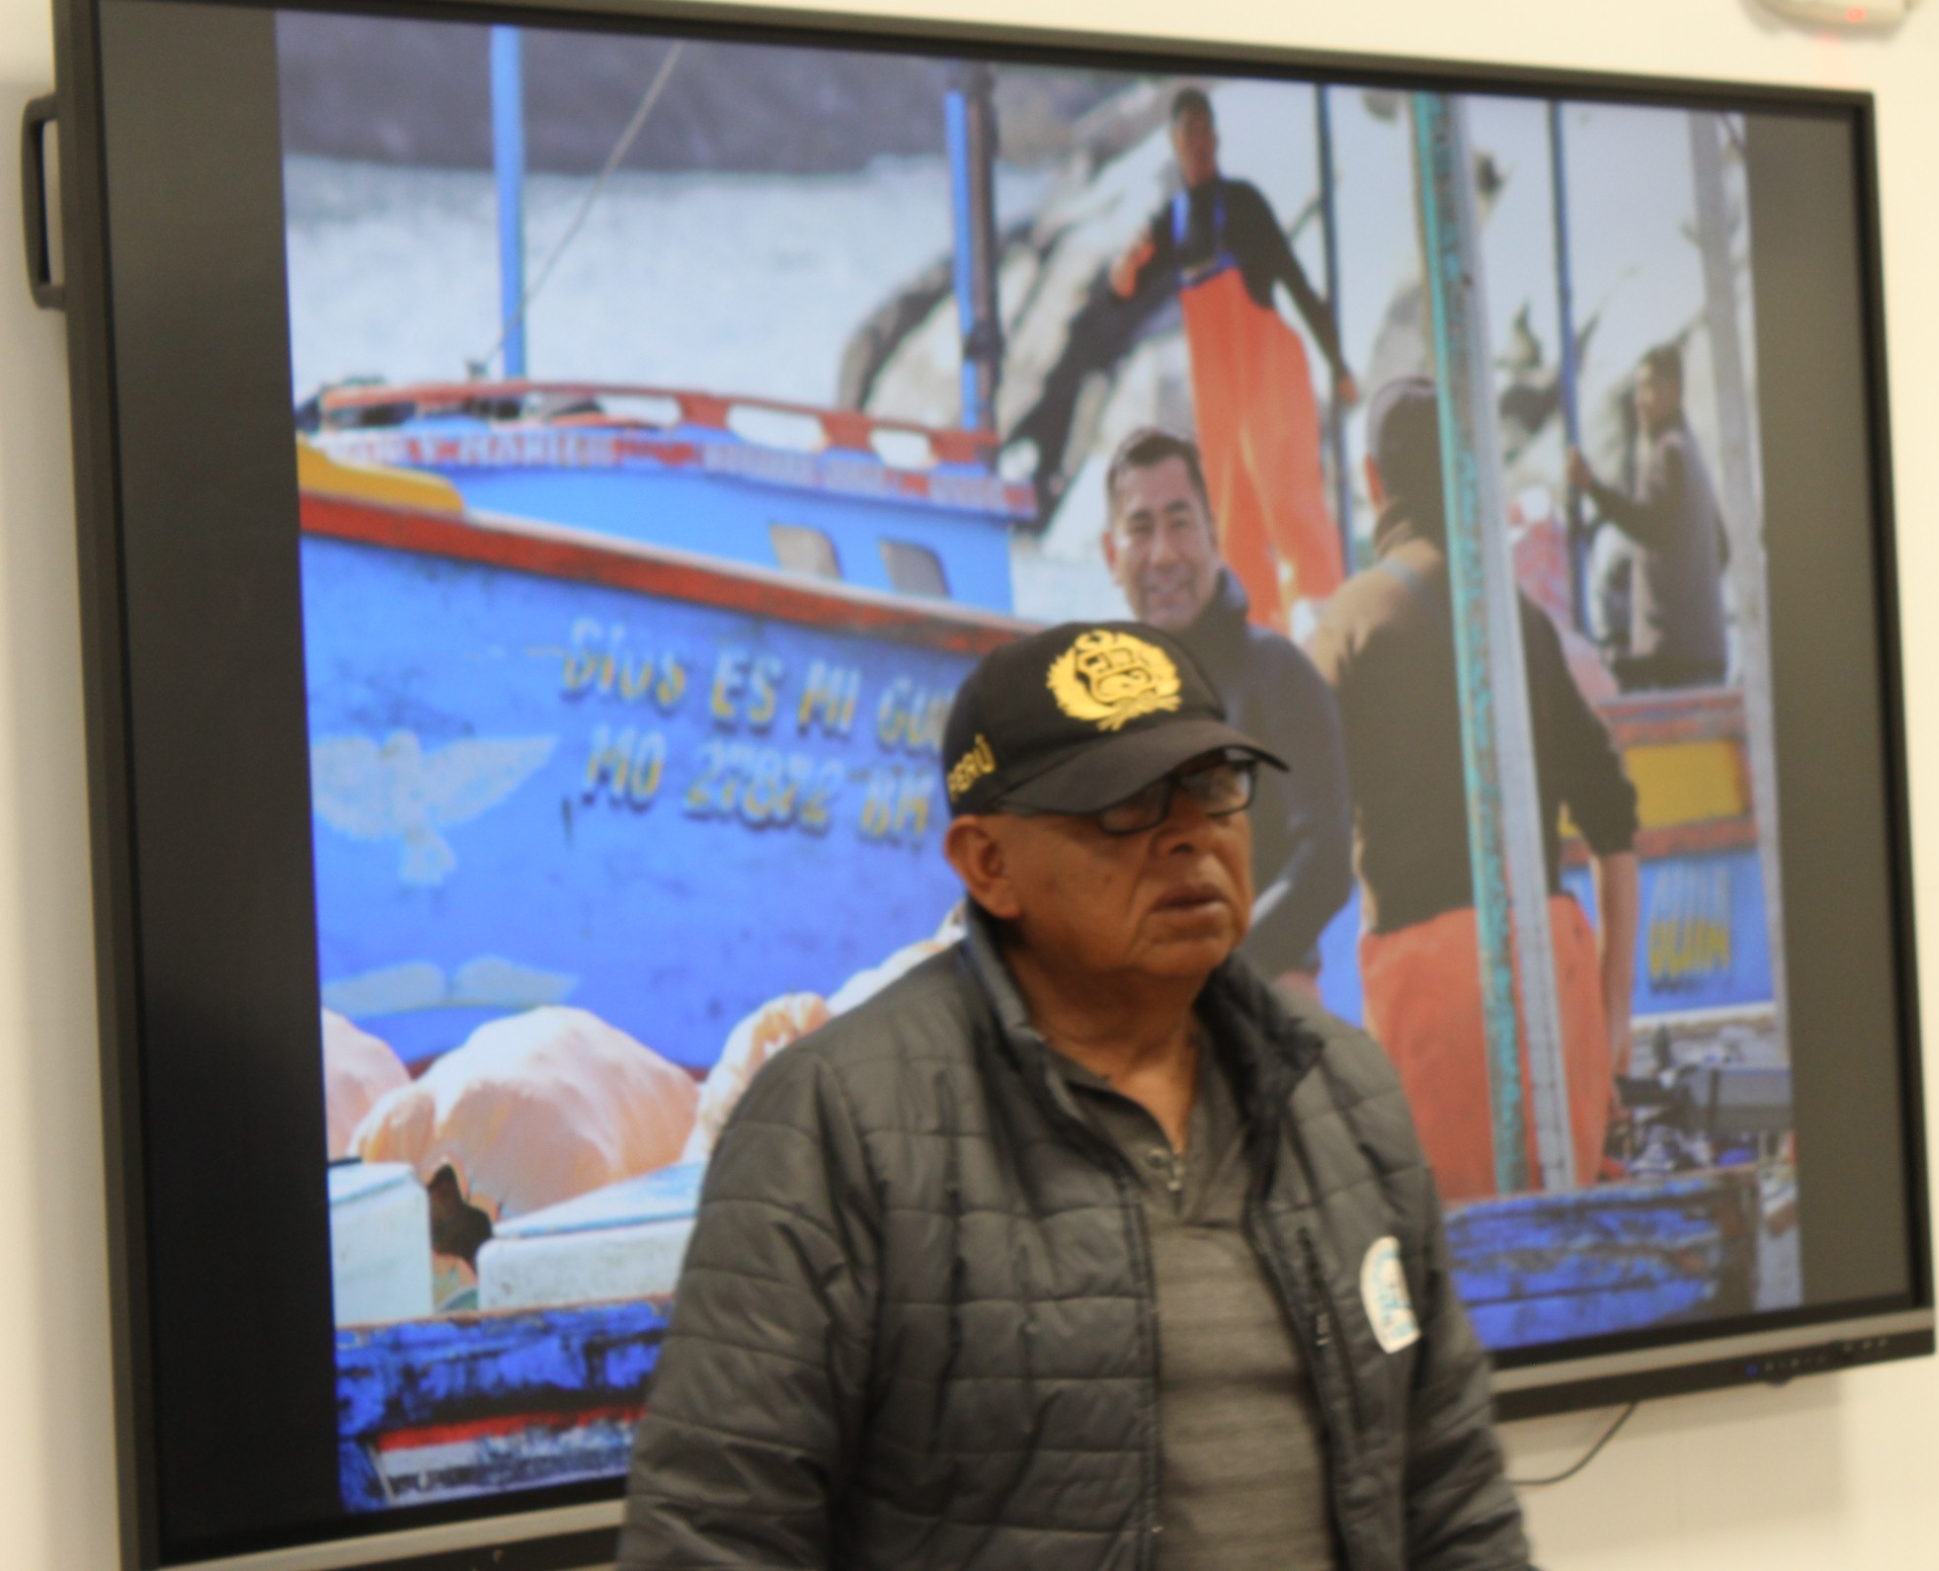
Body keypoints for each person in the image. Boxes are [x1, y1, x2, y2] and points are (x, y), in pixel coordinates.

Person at [619, 619, 1530, 1571]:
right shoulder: (835, 1123)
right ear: (988, 863)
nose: (1190, 833)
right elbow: (711, 1538)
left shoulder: (1341, 1089)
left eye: (1213, 784)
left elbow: (1452, 1491)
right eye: (1126, 804)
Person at [1309, 379, 1643, 1203]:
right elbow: (1614, 820)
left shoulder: (1348, 622)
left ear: (1372, 479)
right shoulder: (1521, 619)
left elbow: (1298, 834)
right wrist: (1613, 1021)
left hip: (1428, 1013)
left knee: (1457, 1252)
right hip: (1552, 996)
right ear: (1465, 471)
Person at [1101, 425, 1353, 992]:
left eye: (1180, 523)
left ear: (1213, 534)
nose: (1163, 554)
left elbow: (1326, 861)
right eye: (1140, 529)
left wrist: (1217, 979)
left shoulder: (1276, 673)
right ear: (1111, 554)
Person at [1109, 85, 1358, 632]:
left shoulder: (1245, 204)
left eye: (1205, 132)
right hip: (1219, 395)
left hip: (1270, 378)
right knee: (1228, 512)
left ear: (1216, 138)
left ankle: (1328, 619)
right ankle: (1259, 627)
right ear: (1175, 144)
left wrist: (1338, 364)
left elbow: (1296, 281)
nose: (1199, 145)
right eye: (1188, 135)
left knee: (1288, 499)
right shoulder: (1170, 224)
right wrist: (1123, 268)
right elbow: (1123, 292)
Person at [1566, 343, 1729, 691]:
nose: (1639, 399)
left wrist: (1591, 486)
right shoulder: (1690, 450)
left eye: (1649, 387)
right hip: (1704, 652)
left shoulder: (1667, 452)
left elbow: (1649, 525)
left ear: (1675, 391)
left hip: (1675, 657)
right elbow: (1722, 548)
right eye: (1638, 388)